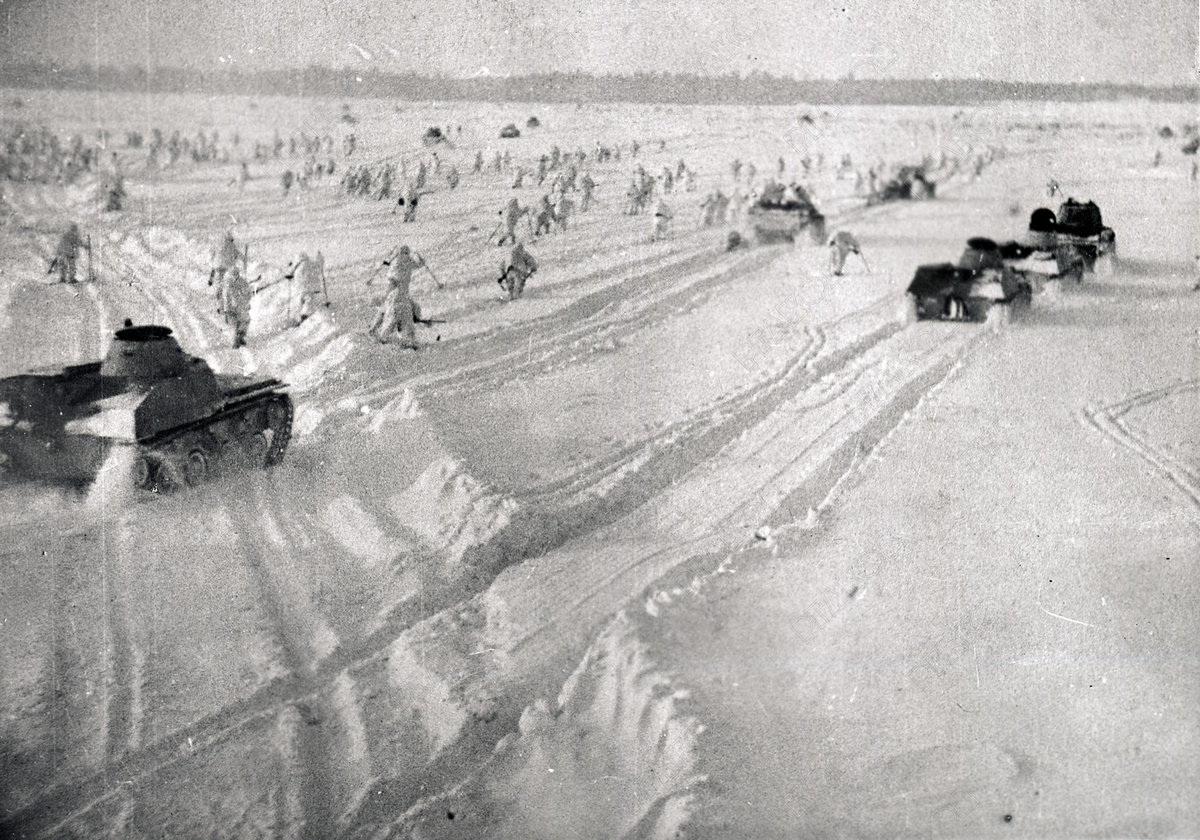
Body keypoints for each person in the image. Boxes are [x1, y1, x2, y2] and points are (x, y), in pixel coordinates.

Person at [368, 244, 424, 348]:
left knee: (387, 310)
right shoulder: (409, 261)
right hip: (402, 292)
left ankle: (377, 329)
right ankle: (410, 340)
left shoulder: (394, 261)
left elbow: (390, 274)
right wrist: (420, 257)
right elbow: (420, 264)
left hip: (392, 289)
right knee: (405, 317)